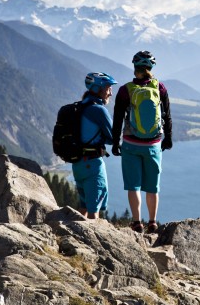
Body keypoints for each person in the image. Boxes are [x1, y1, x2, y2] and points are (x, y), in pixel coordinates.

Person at [112, 50, 173, 233]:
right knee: (152, 187)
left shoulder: (125, 90)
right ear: (151, 67)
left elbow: (117, 119)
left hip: (131, 144)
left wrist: (116, 142)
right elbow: (167, 116)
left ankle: (137, 222)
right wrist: (168, 138)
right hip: (153, 144)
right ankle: (153, 222)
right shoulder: (159, 88)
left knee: (134, 185)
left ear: (135, 68)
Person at [73, 72, 117, 220]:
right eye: (108, 88)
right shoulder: (98, 110)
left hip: (78, 163)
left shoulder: (80, 106)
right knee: (93, 211)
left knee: (84, 206)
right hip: (92, 165)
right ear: (99, 89)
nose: (111, 92)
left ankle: (73, 234)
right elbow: (113, 138)